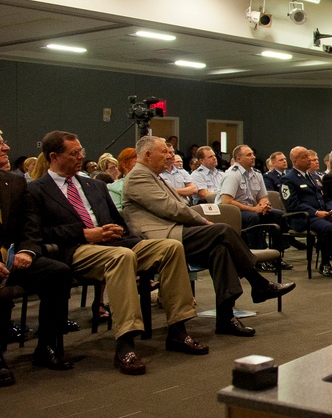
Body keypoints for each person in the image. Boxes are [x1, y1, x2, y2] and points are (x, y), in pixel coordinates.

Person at [25, 131, 207, 375]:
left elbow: (117, 221)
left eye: (81, 151)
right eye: (74, 153)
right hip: (77, 250)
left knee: (171, 247)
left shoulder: (95, 185)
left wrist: (116, 231)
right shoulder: (36, 190)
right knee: (122, 257)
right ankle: (125, 343)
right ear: (54, 157)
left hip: (114, 244)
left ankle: (178, 329)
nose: (81, 157)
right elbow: (37, 234)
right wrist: (83, 233)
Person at [123, 135, 294, 337]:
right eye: (164, 152)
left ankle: (225, 318)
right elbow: (171, 208)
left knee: (220, 249)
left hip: (175, 231)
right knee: (221, 230)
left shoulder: (154, 175)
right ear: (148, 154)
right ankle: (258, 283)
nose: (170, 156)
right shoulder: (138, 176)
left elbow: (177, 207)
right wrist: (203, 221)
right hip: (157, 238)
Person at [0, 131, 73, 385]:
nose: (7, 147)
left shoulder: (15, 182)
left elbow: (31, 227)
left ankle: (46, 346)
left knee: (58, 271)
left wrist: (26, 251)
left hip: (11, 259)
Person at [280, 146, 332, 277]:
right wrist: (315, 212)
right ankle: (325, 264)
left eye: (308, 156)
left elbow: (326, 197)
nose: (308, 159)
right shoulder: (288, 179)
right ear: (295, 162)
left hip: (323, 215)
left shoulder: (314, 177)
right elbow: (293, 204)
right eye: (304, 157)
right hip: (303, 217)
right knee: (329, 228)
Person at [218, 145, 287, 259]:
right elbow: (226, 201)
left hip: (252, 209)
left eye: (253, 154)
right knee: (253, 217)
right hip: (233, 213)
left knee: (278, 215)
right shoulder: (232, 175)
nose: (253, 157)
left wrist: (264, 205)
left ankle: (277, 255)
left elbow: (263, 196)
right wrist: (254, 209)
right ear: (239, 159)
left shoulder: (256, 173)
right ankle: (258, 256)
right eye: (249, 155)